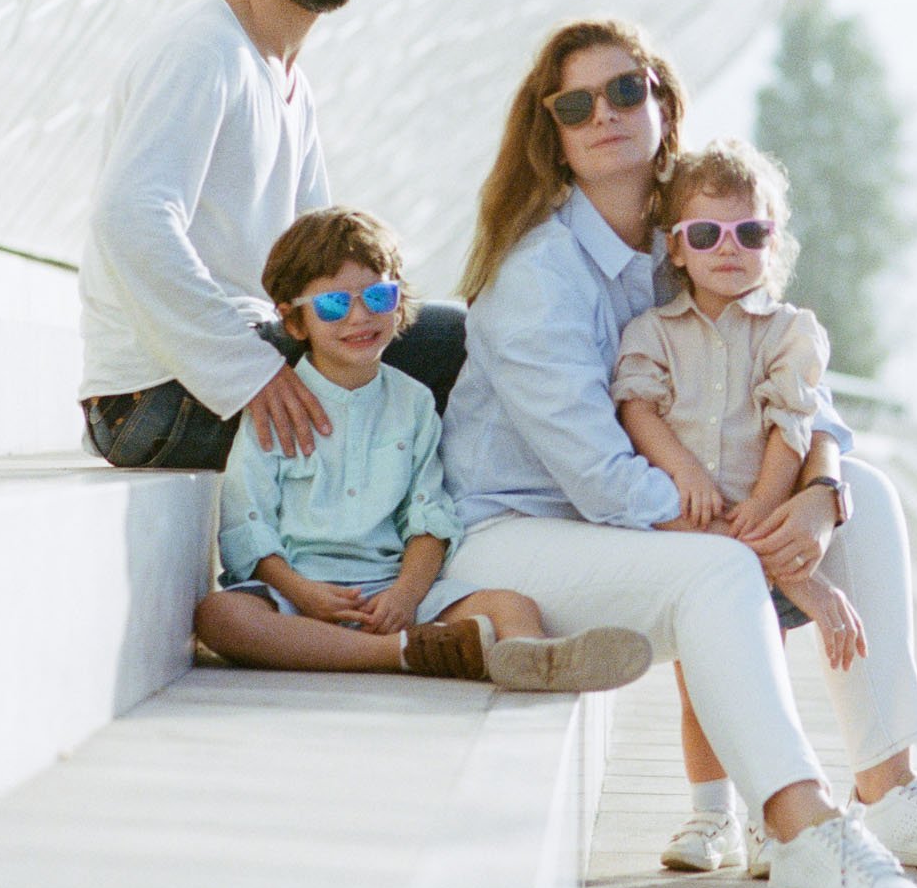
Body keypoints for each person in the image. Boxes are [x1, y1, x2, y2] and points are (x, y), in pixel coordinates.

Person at [441, 19, 917, 888]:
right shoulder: (539, 278)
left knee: (872, 497)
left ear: (663, 104)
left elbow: (803, 394)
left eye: (627, 90)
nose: (606, 114)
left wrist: (821, 498)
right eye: (576, 104)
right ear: (551, 136)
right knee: (715, 567)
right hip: (513, 546)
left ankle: (891, 785)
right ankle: (801, 830)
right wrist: (762, 544)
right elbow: (607, 483)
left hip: (633, 538)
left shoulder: (691, 240)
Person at [78, 0, 463, 473]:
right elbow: (129, 217)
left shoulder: (288, 80)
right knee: (453, 347)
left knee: (456, 339)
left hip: (225, 367)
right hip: (153, 397)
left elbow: (318, 261)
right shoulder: (204, 51)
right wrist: (248, 373)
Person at [194, 206, 652, 693]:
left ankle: (531, 656)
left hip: (391, 590)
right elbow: (249, 519)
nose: (360, 317)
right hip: (297, 593)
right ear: (295, 321)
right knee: (222, 617)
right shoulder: (277, 407)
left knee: (513, 606)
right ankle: (404, 653)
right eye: (332, 305)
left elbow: (428, 514)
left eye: (378, 296)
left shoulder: (414, 403)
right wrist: (299, 591)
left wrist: (405, 596)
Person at [612, 139, 868, 871]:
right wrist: (683, 468)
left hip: (758, 525)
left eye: (749, 233)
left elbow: (793, 421)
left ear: (772, 243)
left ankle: (766, 816)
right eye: (706, 234)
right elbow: (637, 406)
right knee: (699, 682)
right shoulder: (652, 332)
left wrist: (761, 504)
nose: (730, 248)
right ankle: (708, 816)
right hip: (690, 532)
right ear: (677, 248)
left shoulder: (791, 332)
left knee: (760, 676)